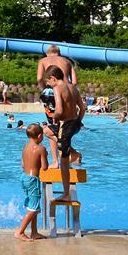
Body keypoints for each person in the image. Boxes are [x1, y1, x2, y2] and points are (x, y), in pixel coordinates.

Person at [44, 66, 85, 196]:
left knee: (64, 162)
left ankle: (66, 193)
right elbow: (82, 108)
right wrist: (78, 121)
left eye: (48, 82)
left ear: (53, 78)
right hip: (75, 124)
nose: (48, 84)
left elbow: (60, 110)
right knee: (47, 131)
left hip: (66, 126)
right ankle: (71, 151)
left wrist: (54, 117)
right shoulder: (73, 88)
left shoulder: (57, 89)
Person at [15, 124, 48, 241]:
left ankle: (34, 232)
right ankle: (20, 232)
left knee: (33, 205)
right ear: (40, 136)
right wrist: (45, 156)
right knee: (33, 209)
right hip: (33, 180)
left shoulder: (25, 147)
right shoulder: (41, 149)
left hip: (24, 178)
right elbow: (44, 167)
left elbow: (23, 165)